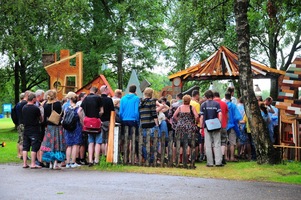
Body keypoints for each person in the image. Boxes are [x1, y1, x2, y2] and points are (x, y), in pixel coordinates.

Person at [40, 90, 66, 170]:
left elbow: (44, 117)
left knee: (49, 144)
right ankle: (56, 163)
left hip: (49, 127)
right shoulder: (58, 104)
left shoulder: (45, 105)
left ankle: (50, 163)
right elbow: (61, 115)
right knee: (57, 145)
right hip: (57, 126)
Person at [78, 86, 103, 166]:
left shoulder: (86, 98)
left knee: (91, 142)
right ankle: (96, 160)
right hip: (96, 121)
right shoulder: (98, 98)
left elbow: (79, 111)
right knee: (98, 142)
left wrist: (83, 120)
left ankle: (90, 160)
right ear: (96, 92)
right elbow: (102, 111)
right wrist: (98, 115)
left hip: (88, 122)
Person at [173, 95, 198, 166]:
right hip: (189, 127)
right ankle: (186, 159)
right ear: (189, 100)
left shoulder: (180, 107)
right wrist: (195, 122)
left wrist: (180, 121)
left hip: (180, 127)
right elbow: (196, 116)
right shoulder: (191, 107)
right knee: (188, 143)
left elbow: (174, 116)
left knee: (181, 143)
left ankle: (180, 159)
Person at [200, 90, 223, 167]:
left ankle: (210, 162)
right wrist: (219, 123)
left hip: (207, 126)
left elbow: (201, 117)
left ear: (206, 96)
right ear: (212, 96)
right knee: (217, 143)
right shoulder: (217, 104)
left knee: (208, 144)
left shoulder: (203, 105)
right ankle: (218, 162)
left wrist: (201, 127)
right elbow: (220, 114)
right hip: (216, 126)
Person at [22, 92, 43, 169]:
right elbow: (41, 118)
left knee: (25, 147)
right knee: (34, 147)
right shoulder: (35, 108)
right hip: (34, 129)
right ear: (33, 99)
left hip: (26, 129)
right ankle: (33, 163)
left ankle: (24, 163)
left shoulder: (24, 107)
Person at [119, 84, 140, 163]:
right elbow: (136, 111)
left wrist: (122, 119)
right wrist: (137, 119)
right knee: (132, 139)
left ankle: (125, 157)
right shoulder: (136, 98)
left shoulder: (123, 99)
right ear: (135, 90)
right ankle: (132, 158)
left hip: (124, 120)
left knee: (125, 139)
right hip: (133, 120)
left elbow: (120, 111)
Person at [139, 87, 159, 163]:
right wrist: (157, 124)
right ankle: (153, 158)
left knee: (144, 142)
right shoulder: (152, 102)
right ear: (151, 94)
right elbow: (154, 114)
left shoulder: (140, 102)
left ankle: (146, 157)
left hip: (143, 124)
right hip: (151, 125)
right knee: (155, 141)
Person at [63, 92, 82, 168]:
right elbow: (80, 118)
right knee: (75, 145)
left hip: (68, 128)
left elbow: (64, 118)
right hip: (76, 127)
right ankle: (73, 162)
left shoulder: (66, 108)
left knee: (69, 145)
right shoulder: (78, 108)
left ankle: (67, 162)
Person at [224, 92, 242, 162]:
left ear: (225, 97)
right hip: (232, 126)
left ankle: (226, 157)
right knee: (232, 142)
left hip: (224, 125)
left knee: (225, 142)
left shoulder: (223, 105)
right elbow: (238, 117)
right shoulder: (234, 106)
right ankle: (232, 157)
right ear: (230, 97)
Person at [213, 91, 229, 164]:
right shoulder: (224, 103)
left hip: (213, 126)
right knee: (223, 142)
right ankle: (222, 157)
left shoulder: (211, 103)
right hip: (223, 125)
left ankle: (215, 157)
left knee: (215, 142)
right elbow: (227, 115)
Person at [99, 85, 115, 157]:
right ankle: (106, 154)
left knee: (101, 139)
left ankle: (101, 155)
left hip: (99, 121)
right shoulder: (109, 100)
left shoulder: (98, 99)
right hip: (108, 121)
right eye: (108, 89)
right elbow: (113, 111)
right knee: (107, 139)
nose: (109, 90)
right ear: (105, 90)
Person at [16, 91, 31, 160]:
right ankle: (23, 155)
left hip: (19, 123)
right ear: (27, 95)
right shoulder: (25, 104)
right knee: (23, 140)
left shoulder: (19, 104)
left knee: (20, 140)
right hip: (24, 124)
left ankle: (20, 154)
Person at [75, 92, 88, 165]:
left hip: (77, 125)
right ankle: (82, 158)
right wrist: (83, 121)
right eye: (85, 97)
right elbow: (79, 112)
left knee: (78, 142)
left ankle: (77, 157)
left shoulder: (77, 104)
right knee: (82, 142)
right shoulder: (81, 104)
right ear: (81, 97)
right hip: (82, 124)